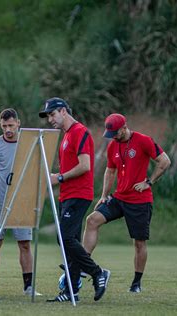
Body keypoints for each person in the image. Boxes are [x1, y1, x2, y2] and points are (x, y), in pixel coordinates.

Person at [83, 113, 171, 293]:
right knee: (92, 220)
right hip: (118, 198)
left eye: (116, 132)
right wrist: (104, 195)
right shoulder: (113, 145)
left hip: (139, 201)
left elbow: (165, 161)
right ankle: (83, 265)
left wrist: (149, 182)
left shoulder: (144, 141)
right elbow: (110, 171)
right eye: (111, 134)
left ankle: (136, 283)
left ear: (124, 127)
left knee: (139, 242)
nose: (113, 136)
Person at [39, 97, 110, 303]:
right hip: (67, 194)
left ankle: (98, 273)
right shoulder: (67, 135)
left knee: (65, 238)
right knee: (71, 241)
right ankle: (71, 291)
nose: (50, 119)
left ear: (63, 111)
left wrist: (59, 177)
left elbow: (85, 165)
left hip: (79, 194)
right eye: (48, 116)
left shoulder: (80, 132)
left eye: (52, 114)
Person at [0, 108, 40, 297]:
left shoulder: (30, 144)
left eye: (11, 125)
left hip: (22, 201)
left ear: (18, 123)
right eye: (4, 126)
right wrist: (1, 189)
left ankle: (29, 287)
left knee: (25, 244)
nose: (8, 129)